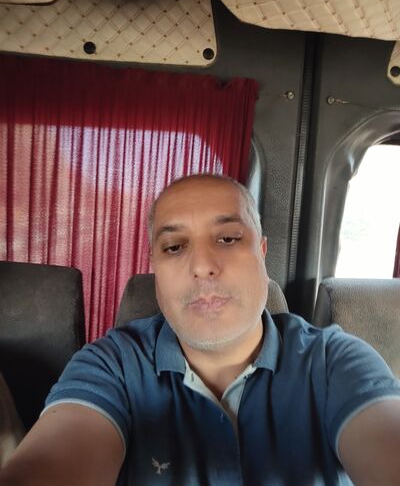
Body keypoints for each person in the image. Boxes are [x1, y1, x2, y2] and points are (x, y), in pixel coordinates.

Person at [1, 174, 400, 485]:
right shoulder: (111, 365)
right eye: (174, 247)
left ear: (261, 253)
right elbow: (57, 458)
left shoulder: (335, 361)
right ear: (155, 268)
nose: (202, 266)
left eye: (228, 238)